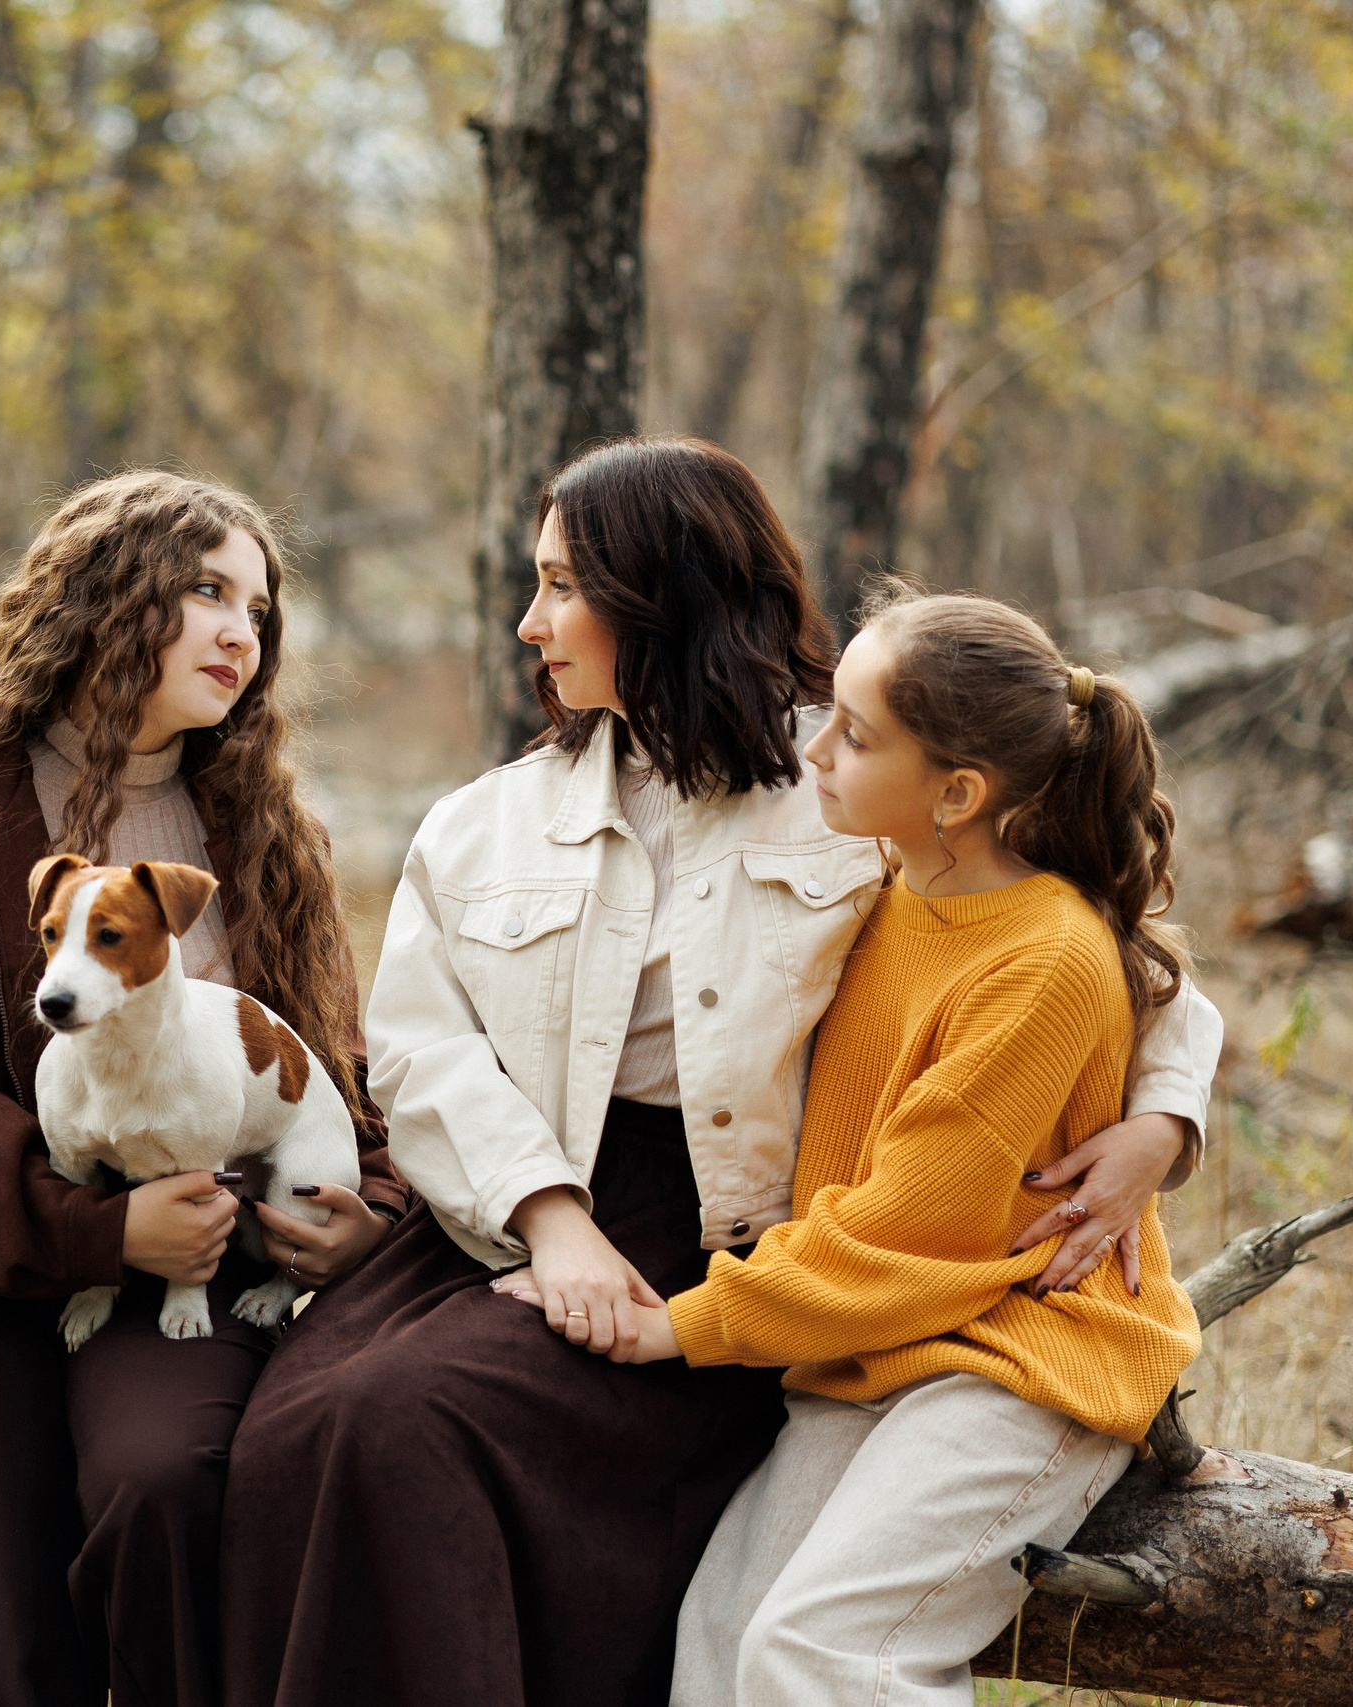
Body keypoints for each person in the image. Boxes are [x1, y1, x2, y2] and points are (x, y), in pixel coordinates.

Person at [219, 438, 1221, 1707]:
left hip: (730, 1236)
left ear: (663, 599)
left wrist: (1161, 1125)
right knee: (286, 1432)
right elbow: (419, 1051)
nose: (529, 624)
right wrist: (547, 1217)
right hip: (516, 1199)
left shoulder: (856, 775)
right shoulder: (487, 822)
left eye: (560, 589)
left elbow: (1104, 964)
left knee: (406, 1428)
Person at [510, 589, 1201, 1706]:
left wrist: (676, 1326)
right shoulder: (872, 884)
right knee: (721, 1635)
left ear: (958, 794)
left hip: (1026, 1355)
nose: (813, 750)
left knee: (821, 1654)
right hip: (876, 1349)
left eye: (855, 736)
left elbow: (905, 1228)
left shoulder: (1044, 956)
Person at [0, 470, 406, 1707]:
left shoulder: (265, 837)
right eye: (205, 592)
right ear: (105, 604)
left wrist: (368, 1208)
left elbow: (327, 1074)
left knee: (165, 1476)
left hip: (189, 1240)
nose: (243, 631)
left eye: (258, 606)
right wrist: (97, 1227)